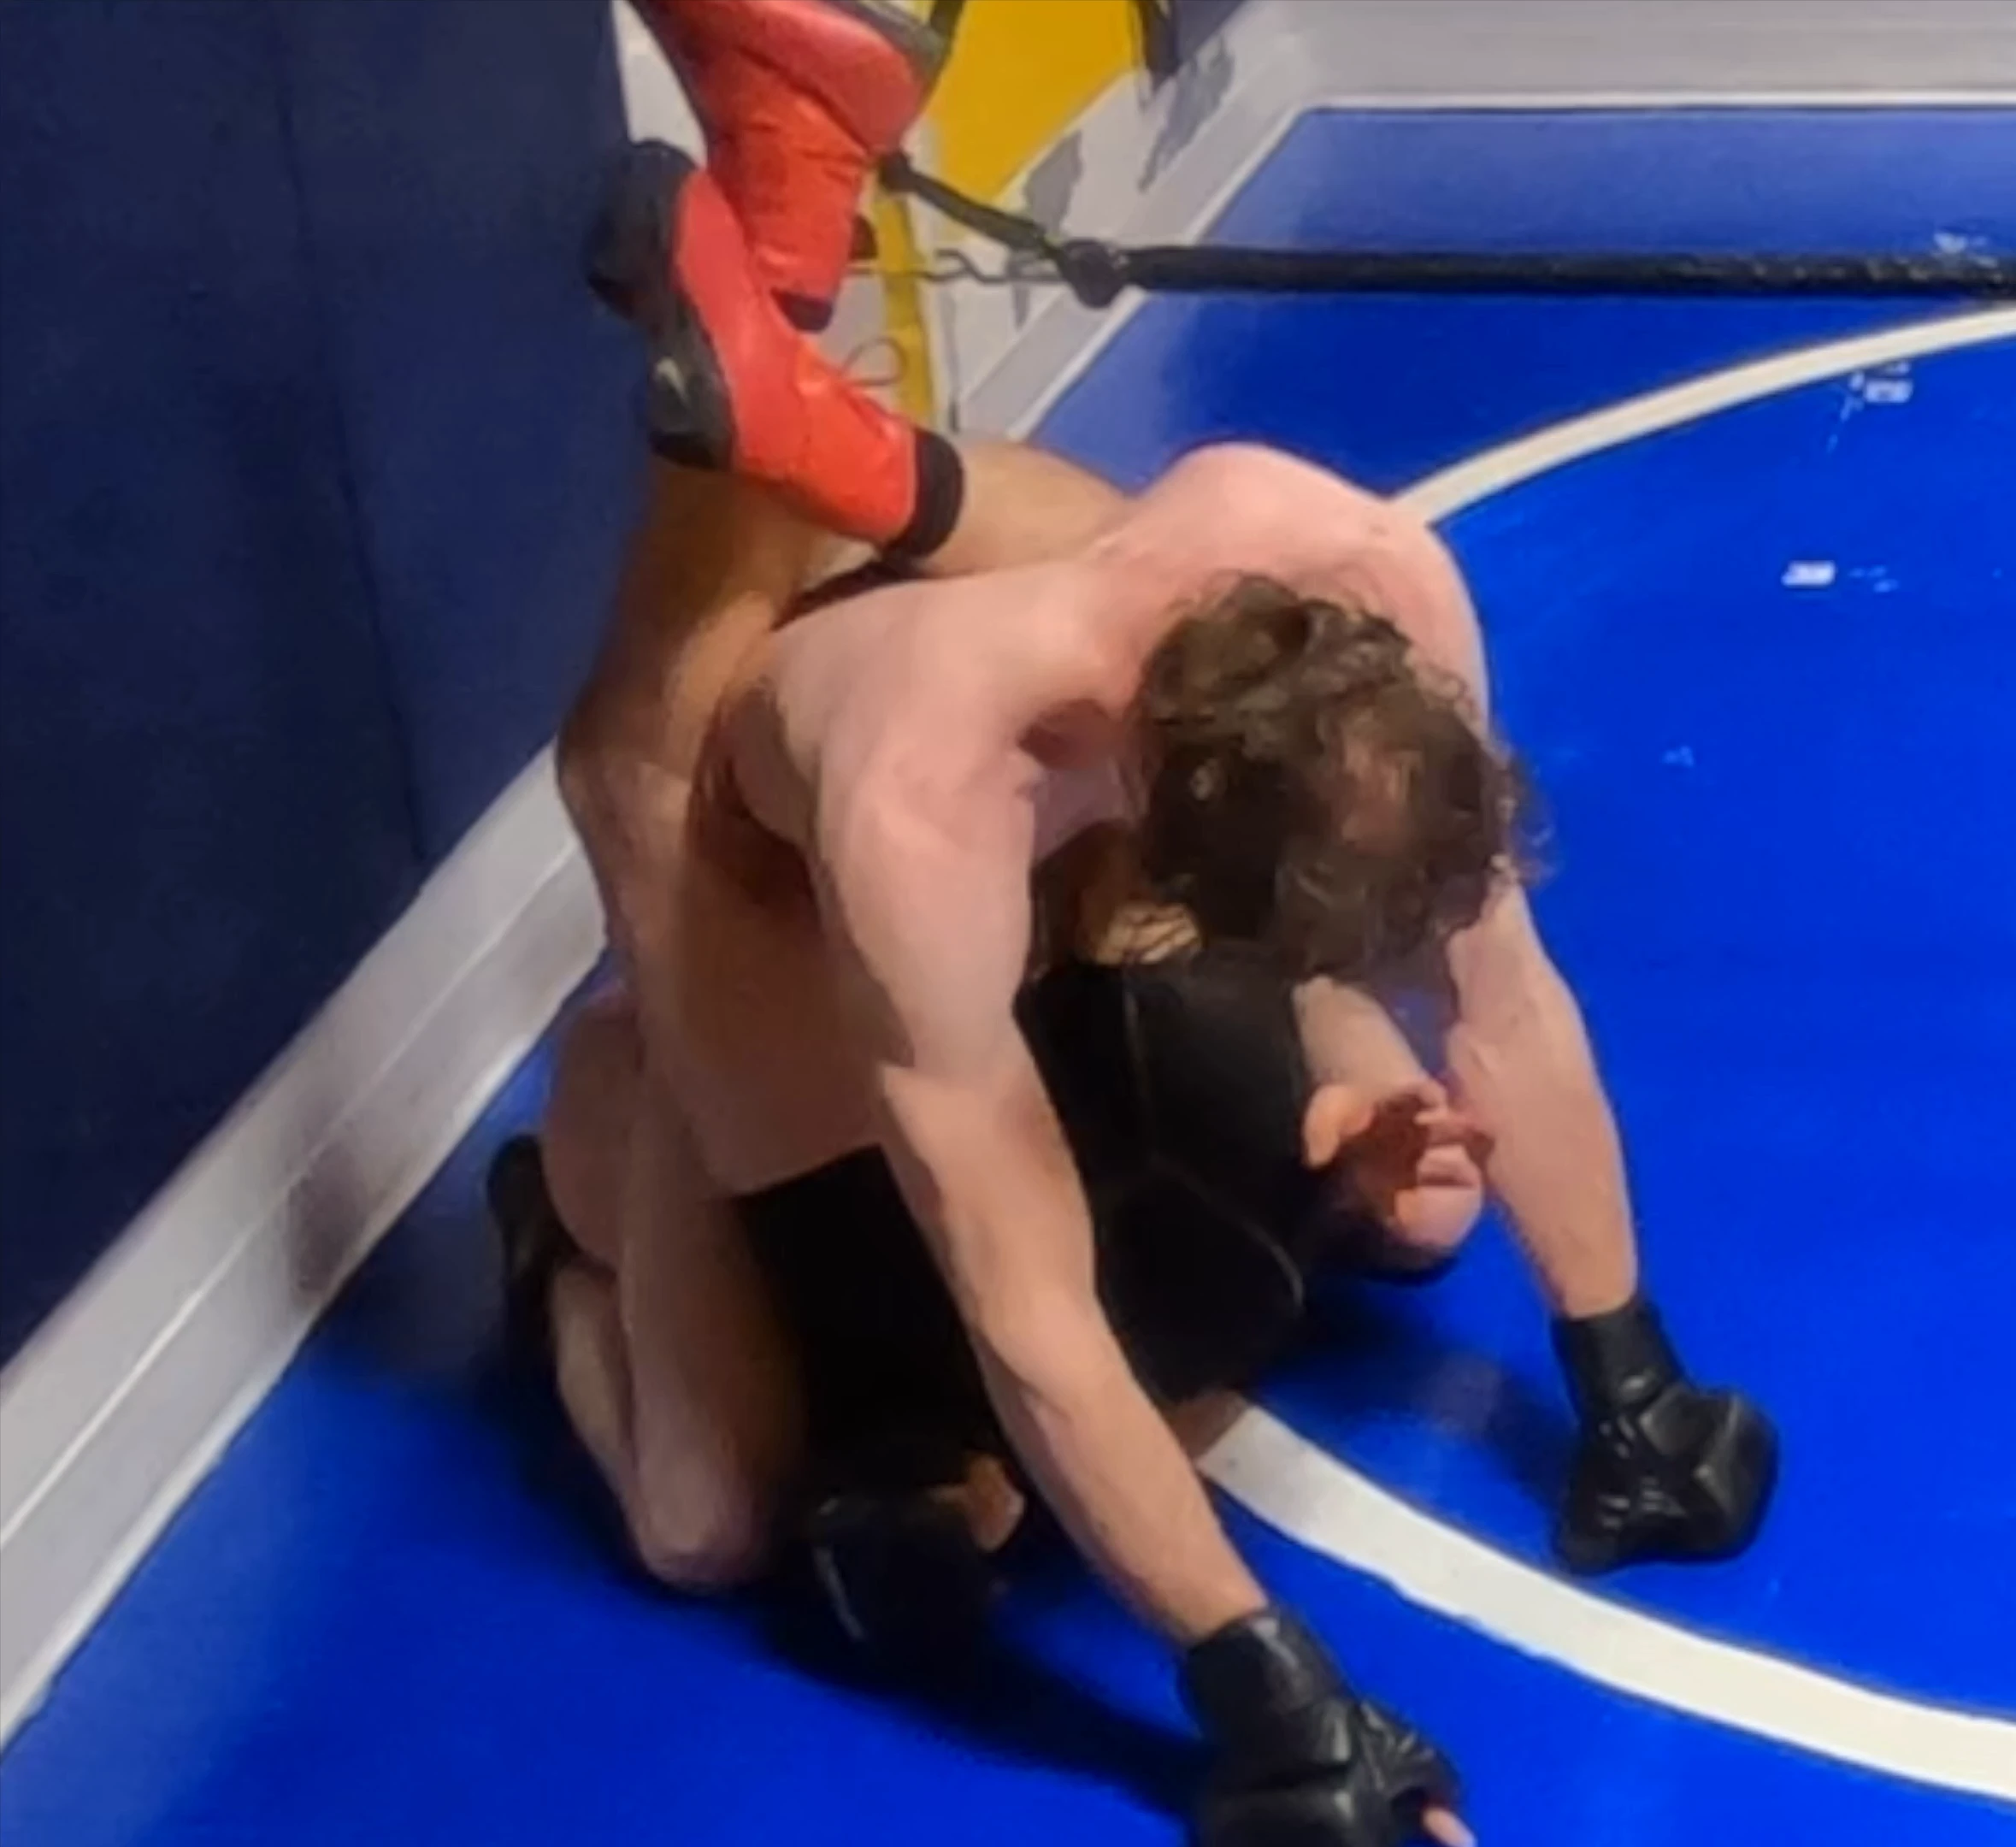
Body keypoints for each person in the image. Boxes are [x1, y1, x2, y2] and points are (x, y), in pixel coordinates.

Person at [540, 5, 1777, 1841]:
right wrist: (1275, 1702)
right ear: (1169, 907)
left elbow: (1501, 994)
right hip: (760, 858)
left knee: (1416, 1208)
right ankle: (587, 1165)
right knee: (710, 1514)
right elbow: (1027, 1301)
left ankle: (812, 390)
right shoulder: (918, 816)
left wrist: (1634, 1381)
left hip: (1082, 702)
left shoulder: (1360, 573)